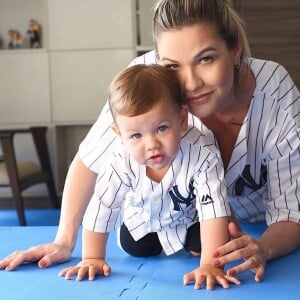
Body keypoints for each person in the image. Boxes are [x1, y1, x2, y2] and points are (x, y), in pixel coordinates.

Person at [1, 0, 299, 288]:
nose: (190, 82)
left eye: (206, 58)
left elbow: (291, 213)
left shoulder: (276, 97)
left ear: (235, 52)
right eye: (172, 67)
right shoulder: (146, 79)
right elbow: (91, 159)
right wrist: (64, 240)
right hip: (181, 220)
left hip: (263, 225)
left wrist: (263, 248)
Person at [58, 64, 240, 289]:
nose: (151, 144)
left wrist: (210, 265)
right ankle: (151, 241)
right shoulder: (119, 160)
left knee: (212, 240)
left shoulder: (202, 152)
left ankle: (196, 244)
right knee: (136, 247)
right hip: (142, 220)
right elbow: (102, 207)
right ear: (119, 134)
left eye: (162, 128)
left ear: (182, 118)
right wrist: (92, 258)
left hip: (189, 218)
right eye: (135, 135)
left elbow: (212, 209)